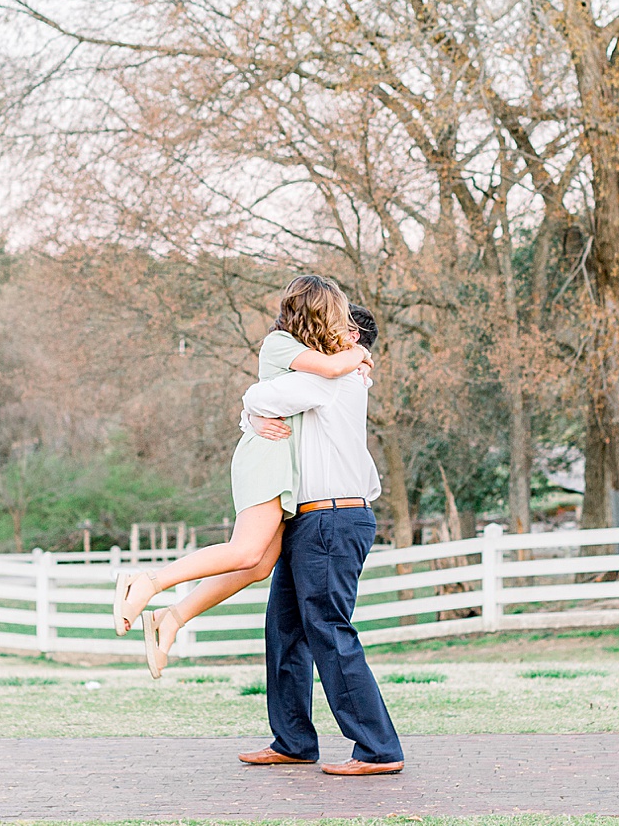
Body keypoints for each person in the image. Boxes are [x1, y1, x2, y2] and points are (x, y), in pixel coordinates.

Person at [111, 274, 370, 677]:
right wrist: (360, 354)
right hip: (267, 456)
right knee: (246, 551)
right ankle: (146, 581)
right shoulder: (282, 344)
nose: (346, 331)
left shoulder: (314, 366)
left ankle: (173, 617)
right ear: (318, 315)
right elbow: (332, 368)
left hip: (285, 465)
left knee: (257, 566)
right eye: (339, 319)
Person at [235, 301, 405, 776]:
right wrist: (250, 419)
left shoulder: (333, 379)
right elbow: (264, 407)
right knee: (285, 630)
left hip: (333, 520)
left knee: (328, 630)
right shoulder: (326, 378)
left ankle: (378, 749)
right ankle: (292, 741)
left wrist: (250, 410)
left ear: (349, 337)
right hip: (310, 520)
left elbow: (259, 395)